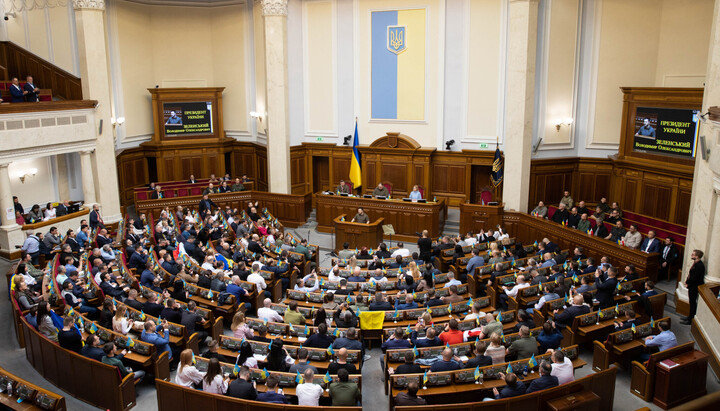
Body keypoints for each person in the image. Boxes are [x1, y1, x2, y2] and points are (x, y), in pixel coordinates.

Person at [682, 250, 706, 324]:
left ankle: (690, 319)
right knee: (691, 302)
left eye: (693, 254)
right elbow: (691, 274)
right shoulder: (696, 263)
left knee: (693, 303)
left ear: (697, 256)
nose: (691, 255)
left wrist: (688, 283)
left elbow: (695, 277)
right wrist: (687, 281)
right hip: (692, 285)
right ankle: (689, 316)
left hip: (694, 286)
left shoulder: (700, 265)